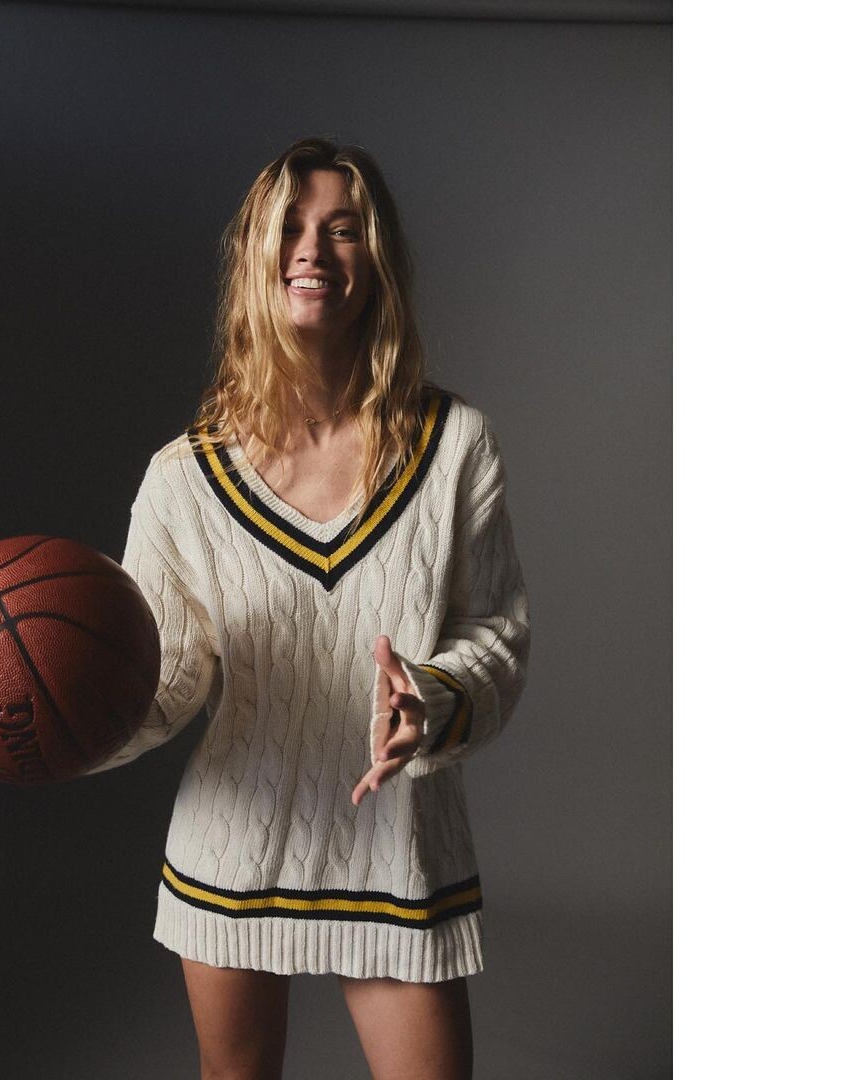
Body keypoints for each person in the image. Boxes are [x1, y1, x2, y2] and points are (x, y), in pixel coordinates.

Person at [92, 136, 530, 1080]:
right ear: (256, 254)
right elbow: (163, 679)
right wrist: (64, 712)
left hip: (397, 848)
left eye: (343, 228)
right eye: (290, 226)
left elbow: (496, 635)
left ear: (377, 258)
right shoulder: (185, 479)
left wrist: (431, 699)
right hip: (235, 845)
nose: (313, 250)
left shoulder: (456, 445)